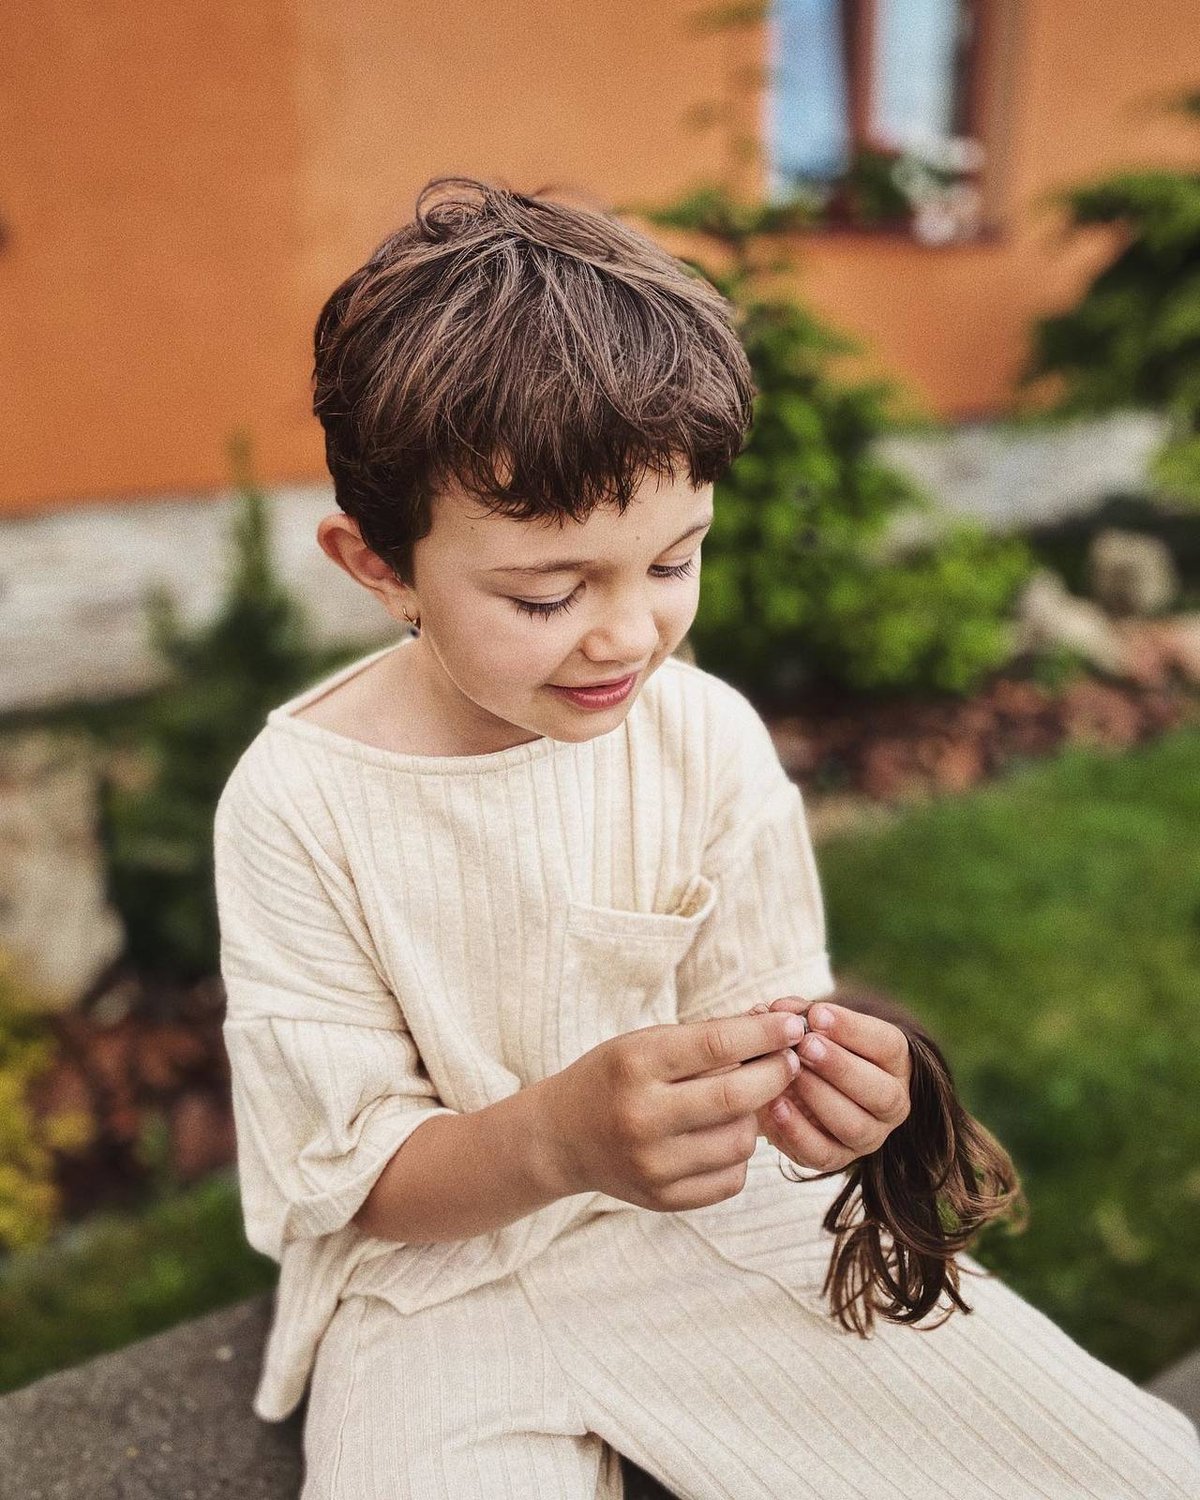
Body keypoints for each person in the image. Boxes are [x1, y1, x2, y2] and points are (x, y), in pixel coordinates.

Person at [213, 176, 1200, 1499]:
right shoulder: (297, 803)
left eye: (673, 561)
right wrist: (556, 1141)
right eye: (550, 591)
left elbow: (767, 1048)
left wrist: (842, 1108)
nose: (626, 633)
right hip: (428, 1297)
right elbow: (346, 1180)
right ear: (378, 566)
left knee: (1120, 1470)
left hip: (706, 1237)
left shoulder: (705, 741)